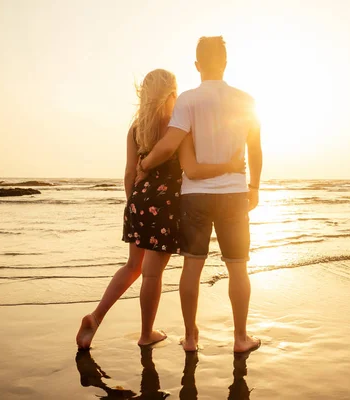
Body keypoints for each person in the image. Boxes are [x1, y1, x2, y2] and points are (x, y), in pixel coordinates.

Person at [76, 69, 245, 349]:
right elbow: (187, 165)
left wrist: (133, 205)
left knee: (132, 266)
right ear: (170, 94)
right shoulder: (176, 125)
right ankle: (146, 334)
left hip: (139, 200)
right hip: (164, 204)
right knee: (152, 273)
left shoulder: (136, 128)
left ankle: (97, 315)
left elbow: (130, 172)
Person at [136, 36, 263, 353]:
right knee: (238, 268)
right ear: (225, 63)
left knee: (192, 267)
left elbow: (168, 145)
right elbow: (256, 149)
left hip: (195, 197)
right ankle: (240, 338)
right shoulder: (246, 100)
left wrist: (144, 164)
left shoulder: (188, 100)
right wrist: (255, 186)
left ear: (197, 65)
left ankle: (191, 337)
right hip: (234, 194)